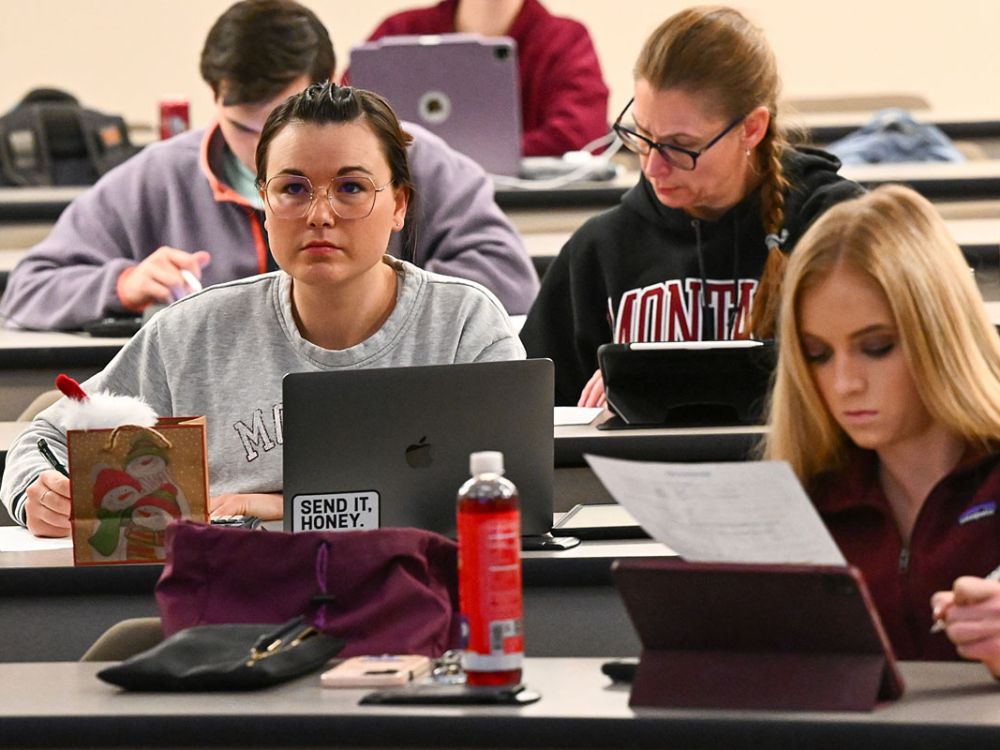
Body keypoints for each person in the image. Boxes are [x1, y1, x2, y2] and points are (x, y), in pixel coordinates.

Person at [1, 82, 525, 536]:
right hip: (234, 610)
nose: (320, 214)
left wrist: (286, 511)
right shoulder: (190, 336)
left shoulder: (465, 326)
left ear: (400, 205)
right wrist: (38, 496)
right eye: (293, 189)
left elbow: (515, 496)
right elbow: (43, 441)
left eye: (351, 188)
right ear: (263, 201)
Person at [0, 0, 538, 331]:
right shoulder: (155, 176)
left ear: (333, 91)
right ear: (214, 97)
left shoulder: (413, 159)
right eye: (242, 128)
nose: (263, 151)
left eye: (283, 123)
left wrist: (372, 303)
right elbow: (29, 288)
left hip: (375, 391)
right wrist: (122, 284)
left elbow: (509, 283)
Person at [519, 6, 862, 406]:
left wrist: (665, 381)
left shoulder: (834, 225)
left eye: (680, 145)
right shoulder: (601, 247)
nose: (652, 166)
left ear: (752, 128)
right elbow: (527, 411)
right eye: (642, 135)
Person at [764, 184, 1000, 676]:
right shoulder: (806, 502)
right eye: (818, 355)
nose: (845, 383)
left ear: (939, 336)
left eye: (876, 347)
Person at [354, 0, 609, 157]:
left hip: (527, 211)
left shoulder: (565, 40)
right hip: (406, 213)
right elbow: (343, 115)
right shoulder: (399, 33)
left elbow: (580, 136)